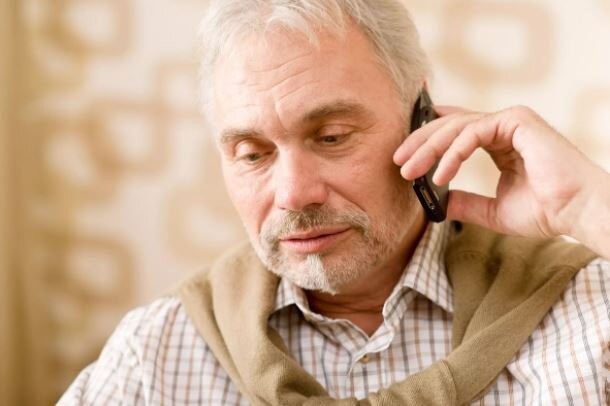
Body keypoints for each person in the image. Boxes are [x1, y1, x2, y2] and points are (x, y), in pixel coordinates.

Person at [58, 0, 610, 404]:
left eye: (331, 137)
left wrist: (589, 209)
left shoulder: (588, 317)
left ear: (421, 117)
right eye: (252, 154)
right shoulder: (155, 354)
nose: (293, 194)